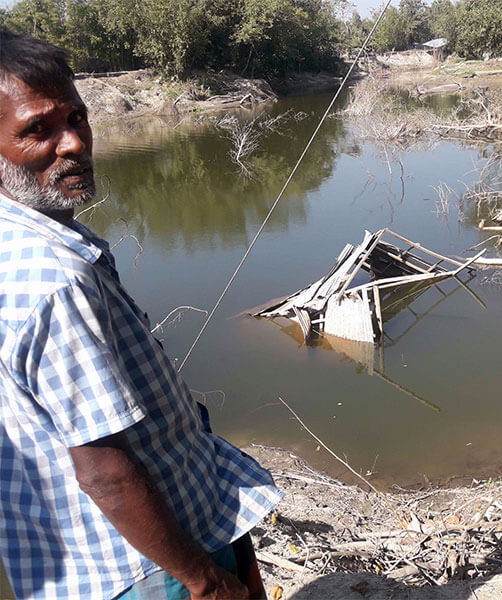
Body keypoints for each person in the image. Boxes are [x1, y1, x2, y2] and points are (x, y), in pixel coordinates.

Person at [0, 30, 282, 600]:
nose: (74, 143)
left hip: (133, 542)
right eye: (38, 129)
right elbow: (104, 472)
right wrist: (204, 583)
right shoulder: (56, 278)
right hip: (148, 569)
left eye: (77, 118)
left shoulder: (27, 237)